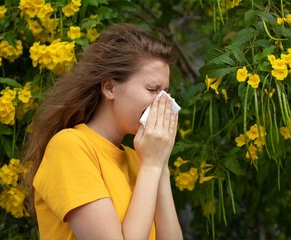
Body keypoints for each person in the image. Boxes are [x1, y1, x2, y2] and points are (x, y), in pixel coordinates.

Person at [22, 23, 183, 240]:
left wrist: (160, 166)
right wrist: (153, 166)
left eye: (165, 92)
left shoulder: (141, 160)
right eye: (152, 90)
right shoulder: (69, 147)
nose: (163, 102)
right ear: (109, 88)